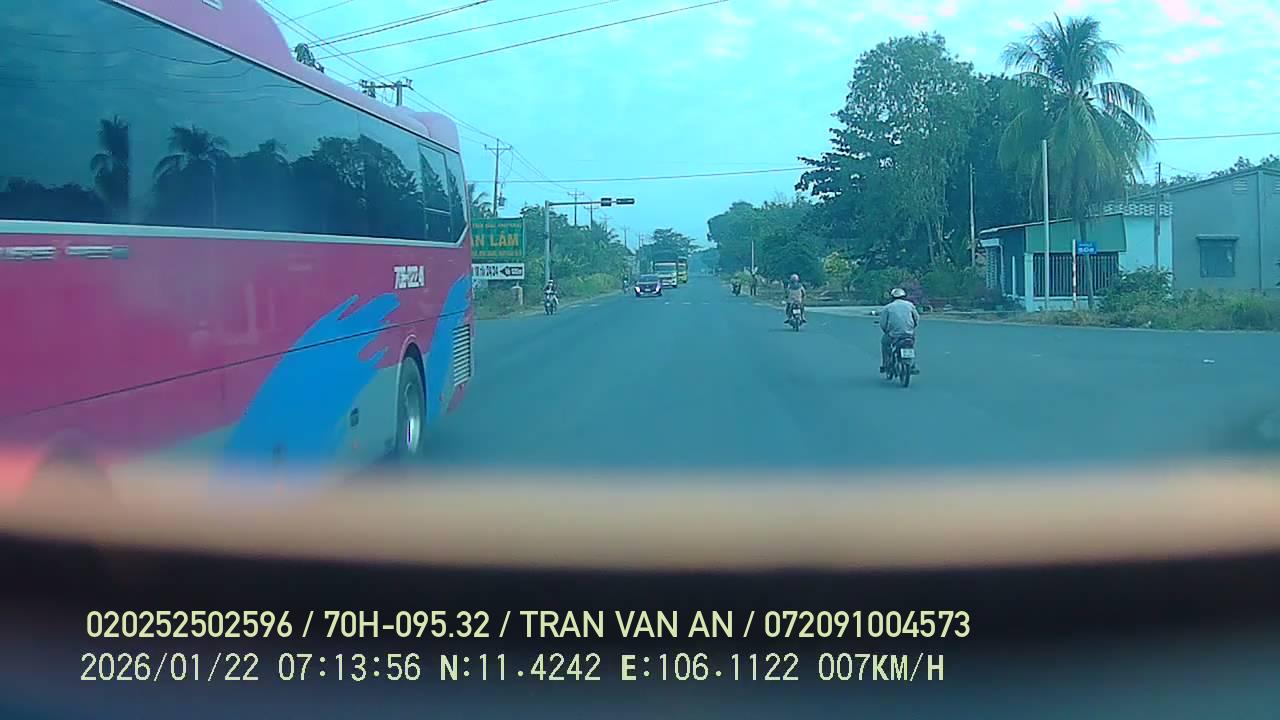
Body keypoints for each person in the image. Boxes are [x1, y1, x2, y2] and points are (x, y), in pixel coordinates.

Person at [879, 287, 920, 373]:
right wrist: (912, 328)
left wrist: (886, 331)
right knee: (911, 345)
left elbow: (883, 323)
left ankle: (885, 364)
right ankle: (912, 364)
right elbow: (916, 318)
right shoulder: (910, 305)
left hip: (893, 334)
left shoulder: (888, 307)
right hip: (908, 333)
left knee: (885, 343)